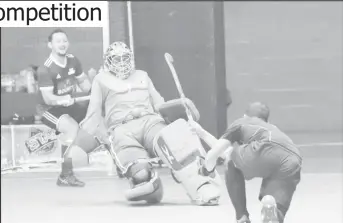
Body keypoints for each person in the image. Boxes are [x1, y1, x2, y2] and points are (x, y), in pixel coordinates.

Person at [85, 41, 222, 205]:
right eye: (117, 59)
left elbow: (159, 105)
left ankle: (202, 187)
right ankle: (150, 186)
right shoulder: (101, 80)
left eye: (125, 58)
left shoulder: (142, 75)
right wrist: (105, 138)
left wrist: (180, 103)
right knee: (140, 175)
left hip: (150, 121)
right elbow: (93, 114)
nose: (122, 62)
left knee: (177, 145)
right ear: (108, 61)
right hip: (121, 129)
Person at [191, 102, 302, 223]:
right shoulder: (271, 128)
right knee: (276, 203)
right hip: (293, 157)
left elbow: (216, 153)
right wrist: (201, 132)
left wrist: (207, 169)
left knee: (231, 160)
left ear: (245, 115)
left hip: (265, 148)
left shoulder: (241, 123)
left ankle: (242, 219)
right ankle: (274, 215)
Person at [36, 29, 100, 187]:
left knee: (98, 116)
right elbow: (48, 99)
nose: (62, 44)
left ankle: (120, 163)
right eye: (58, 41)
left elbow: (85, 85)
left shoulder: (73, 60)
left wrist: (95, 84)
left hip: (70, 104)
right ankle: (65, 175)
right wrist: (61, 100)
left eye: (64, 41)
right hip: (49, 110)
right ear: (50, 45)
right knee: (71, 128)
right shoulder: (45, 69)